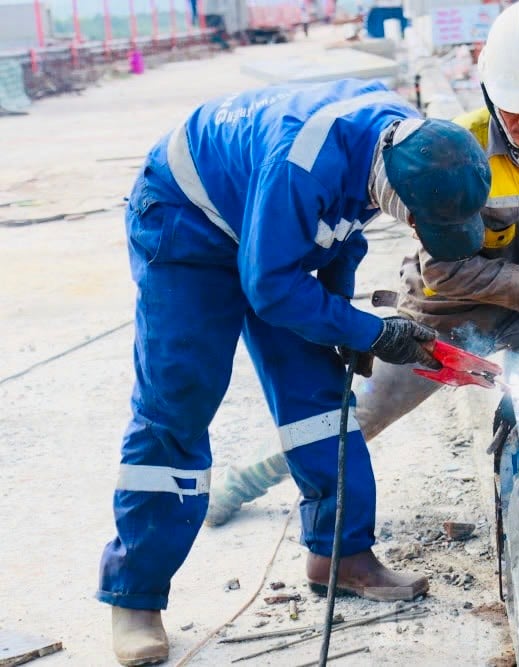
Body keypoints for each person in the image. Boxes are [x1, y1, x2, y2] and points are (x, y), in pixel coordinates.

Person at [203, 0, 519, 527]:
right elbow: (445, 272)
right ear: (489, 92)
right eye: (513, 108)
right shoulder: (451, 150)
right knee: (364, 415)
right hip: (450, 313)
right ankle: (246, 480)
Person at [97, 78, 491, 666]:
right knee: (179, 400)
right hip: (188, 220)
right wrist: (371, 330)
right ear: (391, 189)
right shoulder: (301, 162)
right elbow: (271, 289)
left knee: (318, 395)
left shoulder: (414, 146)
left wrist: (341, 325)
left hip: (268, 223)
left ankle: (340, 555)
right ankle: (135, 594)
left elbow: (340, 237)